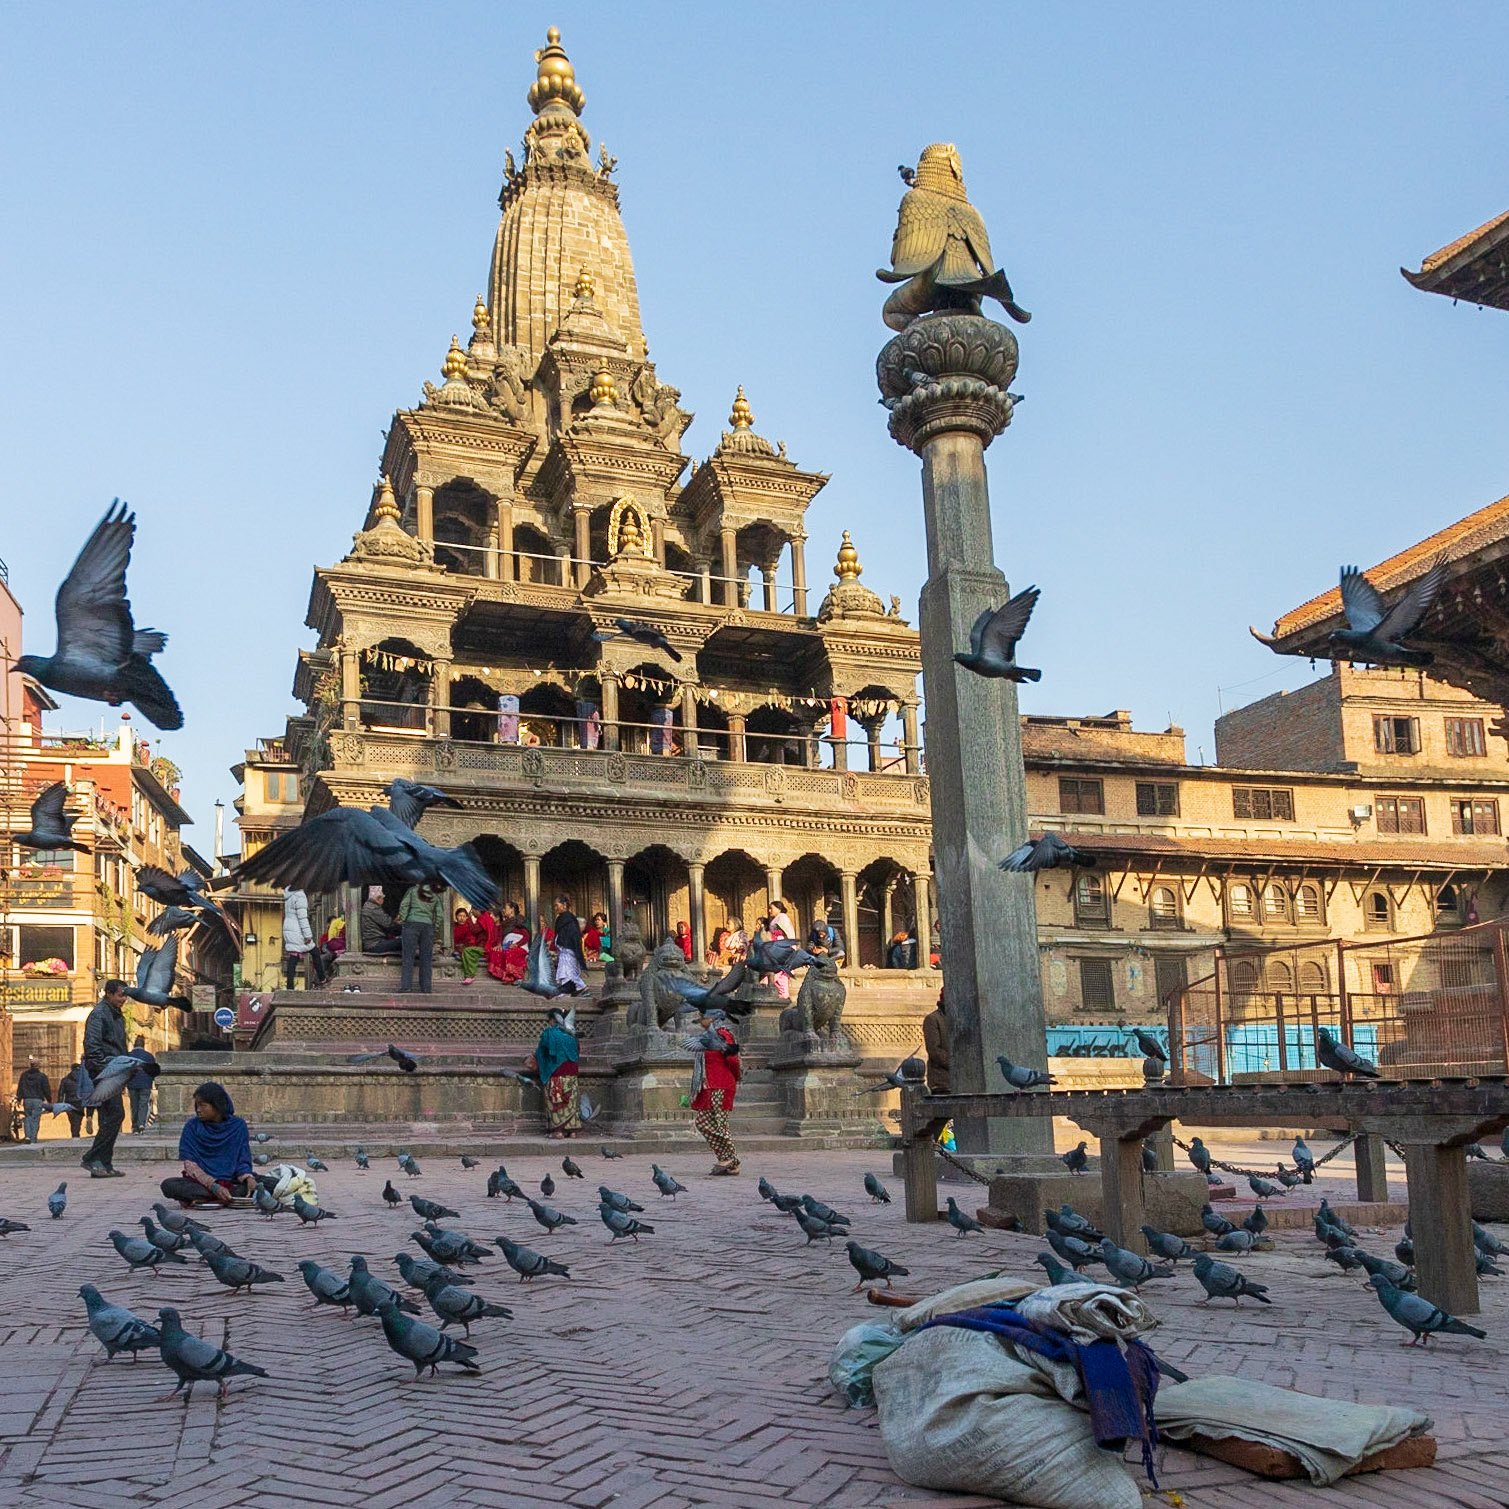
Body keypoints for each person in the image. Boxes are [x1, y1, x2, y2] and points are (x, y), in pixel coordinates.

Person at [159, 1082, 256, 1207]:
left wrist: (249, 1179)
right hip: (203, 1183)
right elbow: (190, 1166)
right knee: (168, 1185)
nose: (198, 1110)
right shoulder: (192, 1126)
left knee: (269, 1184)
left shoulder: (238, 1126)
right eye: (197, 1105)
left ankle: (217, 1197)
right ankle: (225, 1196)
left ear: (217, 1105)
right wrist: (214, 1186)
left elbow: (243, 1159)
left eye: (202, 1105)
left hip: (232, 1180)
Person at [82, 979, 129, 1177]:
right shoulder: (99, 1015)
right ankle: (92, 1158)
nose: (123, 999)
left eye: (125, 995)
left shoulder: (116, 1015)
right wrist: (105, 1069)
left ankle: (104, 1163)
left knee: (111, 1116)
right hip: (103, 1072)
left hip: (114, 1071)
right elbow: (92, 1046)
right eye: (120, 995)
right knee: (115, 1114)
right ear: (108, 994)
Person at [688, 1007, 741, 1175]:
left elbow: (733, 1060)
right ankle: (728, 1159)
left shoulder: (724, 1035)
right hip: (709, 1086)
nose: (700, 1022)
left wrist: (735, 1077)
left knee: (720, 1124)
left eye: (702, 1018)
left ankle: (730, 1159)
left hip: (721, 1084)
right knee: (702, 1122)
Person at [530, 1005, 581, 1138]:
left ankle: (558, 1131)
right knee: (571, 1101)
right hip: (572, 1072)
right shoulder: (571, 1033)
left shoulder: (549, 1033)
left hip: (555, 1073)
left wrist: (534, 1057)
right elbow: (577, 1051)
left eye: (549, 1020)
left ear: (553, 1020)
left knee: (556, 1102)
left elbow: (541, 1051)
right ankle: (572, 1131)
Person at [398, 882, 446, 994]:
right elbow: (440, 914)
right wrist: (435, 927)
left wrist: (404, 921)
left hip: (411, 924)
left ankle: (406, 987)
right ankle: (426, 988)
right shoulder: (435, 894)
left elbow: (404, 906)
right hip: (427, 926)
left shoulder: (412, 891)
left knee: (408, 957)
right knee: (426, 959)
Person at [282, 886, 327, 990]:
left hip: (288, 927)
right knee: (315, 952)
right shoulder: (300, 896)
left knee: (294, 955)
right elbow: (302, 917)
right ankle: (322, 979)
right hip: (297, 929)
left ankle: (290, 987)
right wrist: (308, 935)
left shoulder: (289, 895)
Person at [551, 894, 587, 996]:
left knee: (567, 973)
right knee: (564, 973)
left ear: (564, 905)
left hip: (568, 950)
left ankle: (581, 987)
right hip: (563, 951)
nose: (555, 908)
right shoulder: (562, 919)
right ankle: (570, 991)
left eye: (557, 905)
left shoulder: (569, 919)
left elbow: (573, 935)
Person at [126, 1035, 159, 1134]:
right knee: (143, 1104)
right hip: (145, 1083)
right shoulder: (149, 1056)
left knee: (134, 1105)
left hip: (132, 1083)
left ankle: (135, 1126)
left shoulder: (128, 1055)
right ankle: (141, 1123)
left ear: (134, 1044)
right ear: (143, 1045)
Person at [16, 1056, 51, 1144]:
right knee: (35, 1119)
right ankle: (33, 1138)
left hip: (27, 1100)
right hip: (38, 1100)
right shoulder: (42, 1076)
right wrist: (49, 1099)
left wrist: (19, 1098)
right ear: (38, 1065)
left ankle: (27, 1136)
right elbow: (46, 1089)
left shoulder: (24, 1075)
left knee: (28, 1118)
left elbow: (20, 1087)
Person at [766, 899, 796, 1000]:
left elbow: (786, 933)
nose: (769, 911)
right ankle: (783, 995)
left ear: (778, 908)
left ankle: (768, 987)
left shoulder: (782, 918)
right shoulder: (776, 919)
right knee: (782, 974)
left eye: (771, 908)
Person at [922, 990, 950, 1093]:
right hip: (942, 1082)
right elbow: (934, 1050)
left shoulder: (960, 1018)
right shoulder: (933, 1019)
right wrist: (956, 1063)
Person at [362, 886, 401, 955]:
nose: (383, 900)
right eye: (383, 898)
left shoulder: (368, 906)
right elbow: (389, 925)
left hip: (371, 943)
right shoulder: (373, 909)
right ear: (378, 898)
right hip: (375, 944)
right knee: (405, 941)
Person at [453, 905, 484, 982]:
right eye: (459, 916)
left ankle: (469, 975)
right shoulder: (453, 927)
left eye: (464, 916)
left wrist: (463, 945)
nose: (461, 918)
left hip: (465, 946)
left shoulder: (469, 927)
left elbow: (471, 940)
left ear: (467, 917)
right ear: (456, 917)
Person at [58, 1062, 85, 1139]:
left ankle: (74, 1134)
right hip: (80, 1101)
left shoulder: (65, 1079)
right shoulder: (83, 1079)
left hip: (69, 1101)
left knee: (72, 1120)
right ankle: (76, 1133)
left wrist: (60, 1103)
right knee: (78, 1119)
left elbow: (61, 1092)